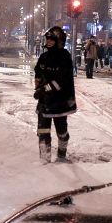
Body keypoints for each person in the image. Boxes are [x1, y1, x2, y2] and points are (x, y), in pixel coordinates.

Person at [33, 26, 77, 162]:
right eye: (48, 39)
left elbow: (62, 81)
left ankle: (62, 153)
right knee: (43, 131)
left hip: (60, 102)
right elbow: (38, 71)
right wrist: (38, 82)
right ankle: (44, 160)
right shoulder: (44, 56)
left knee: (61, 131)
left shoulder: (64, 57)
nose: (49, 42)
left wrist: (44, 89)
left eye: (52, 39)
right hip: (45, 102)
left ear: (59, 41)